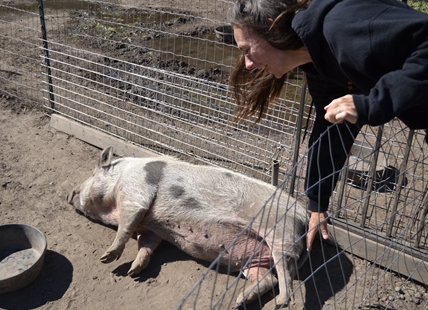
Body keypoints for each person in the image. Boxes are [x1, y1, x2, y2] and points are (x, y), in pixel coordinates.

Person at [228, 0, 428, 251]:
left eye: (247, 50)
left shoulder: (341, 27)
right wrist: (317, 202)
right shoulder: (317, 61)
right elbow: (330, 130)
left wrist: (372, 104)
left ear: (272, 30)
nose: (248, 64)